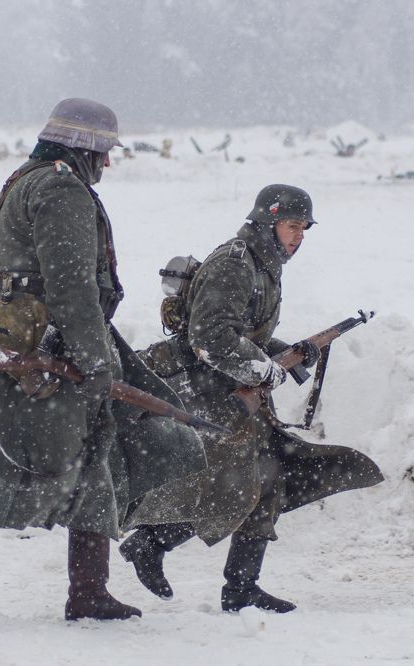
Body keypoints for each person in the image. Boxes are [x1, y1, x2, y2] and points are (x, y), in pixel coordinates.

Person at [0, 98, 206, 621]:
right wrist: (94, 359)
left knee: (92, 466)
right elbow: (72, 287)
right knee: (50, 470)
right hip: (54, 353)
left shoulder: (24, 180)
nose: (106, 164)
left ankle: (89, 590)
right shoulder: (61, 189)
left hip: (40, 348)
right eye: (103, 152)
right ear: (85, 147)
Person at [122, 185, 383, 613]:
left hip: (232, 388)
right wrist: (264, 370)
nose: (298, 236)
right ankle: (150, 543)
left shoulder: (264, 264)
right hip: (205, 389)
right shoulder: (235, 263)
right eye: (292, 226)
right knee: (232, 485)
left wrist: (290, 351)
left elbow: (245, 335)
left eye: (303, 229)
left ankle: (240, 587)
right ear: (268, 222)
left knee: (269, 479)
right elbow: (209, 336)